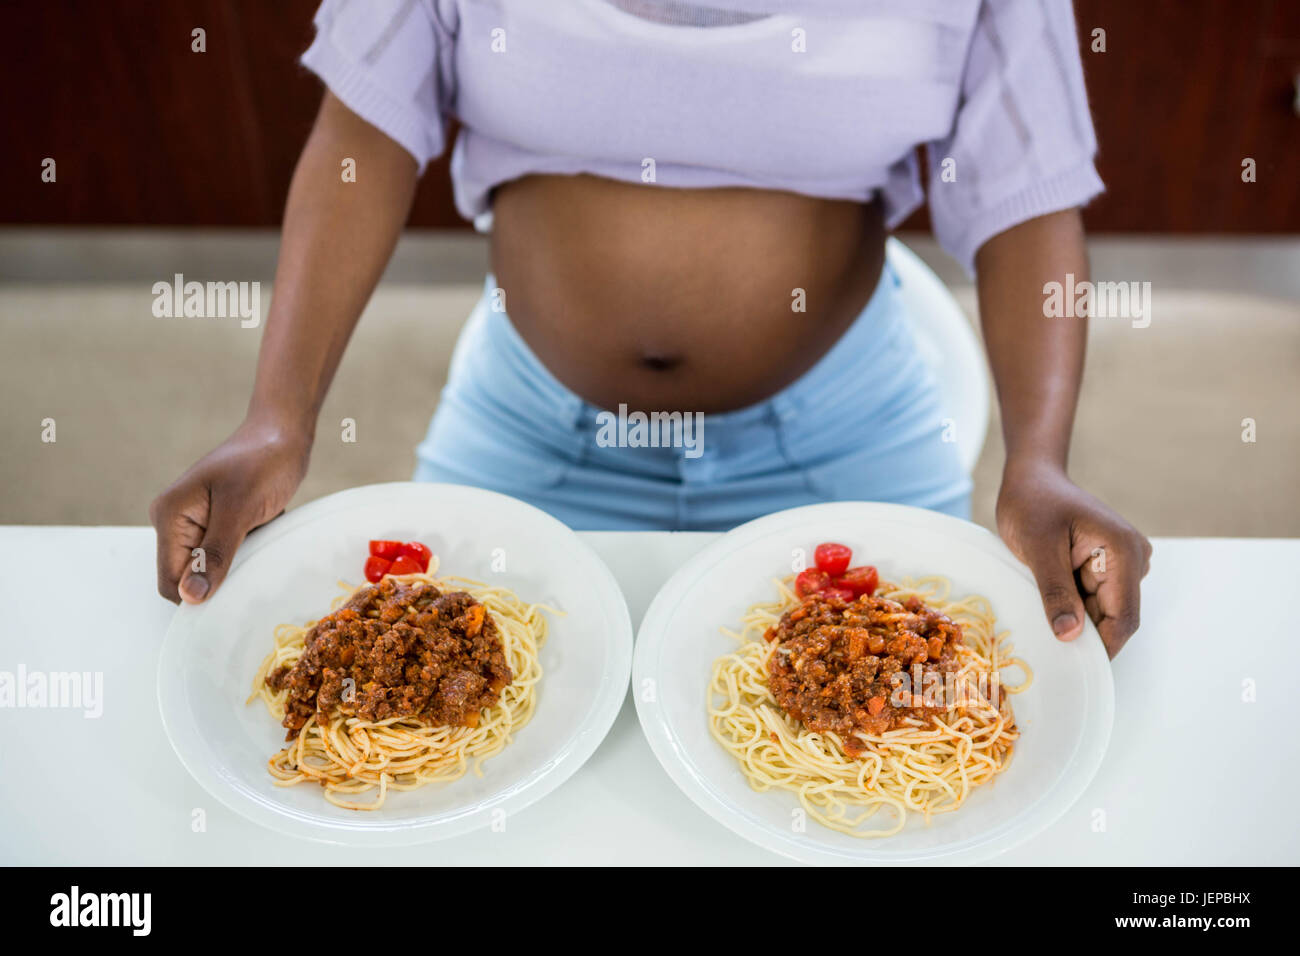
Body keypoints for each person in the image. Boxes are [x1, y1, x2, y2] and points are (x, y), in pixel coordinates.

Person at [150, 0, 1151, 657]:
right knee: (440, 727)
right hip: (533, 431)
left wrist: (1040, 461)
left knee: (896, 752)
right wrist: (277, 415)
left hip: (839, 440)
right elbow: (362, 133)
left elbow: (1024, 199)